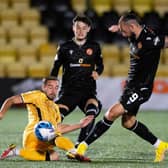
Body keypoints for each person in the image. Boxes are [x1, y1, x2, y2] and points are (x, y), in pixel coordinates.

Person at [75, 12, 168, 162]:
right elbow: (128, 27)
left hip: (142, 88)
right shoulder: (134, 32)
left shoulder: (151, 40)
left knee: (112, 113)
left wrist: (120, 28)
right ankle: (160, 145)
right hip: (131, 86)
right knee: (128, 122)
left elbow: (163, 41)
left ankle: (82, 146)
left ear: (132, 26)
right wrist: (118, 27)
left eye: (124, 30)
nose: (123, 34)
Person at [0, 76, 92, 161]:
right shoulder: (37, 95)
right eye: (50, 87)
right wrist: (1, 113)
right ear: (43, 87)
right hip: (33, 134)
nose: (53, 90)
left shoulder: (55, 107)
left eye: (56, 87)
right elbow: (11, 100)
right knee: (54, 134)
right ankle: (74, 152)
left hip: (45, 140)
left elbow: (59, 128)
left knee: (54, 156)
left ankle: (15, 151)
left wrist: (80, 124)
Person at [50, 14, 104, 147]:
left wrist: (98, 72)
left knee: (92, 112)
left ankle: (79, 145)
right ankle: (49, 141)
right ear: (73, 28)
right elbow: (55, 68)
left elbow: (100, 65)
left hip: (88, 91)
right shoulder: (64, 47)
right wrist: (51, 86)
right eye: (77, 27)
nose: (80, 31)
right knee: (56, 115)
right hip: (69, 91)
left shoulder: (95, 46)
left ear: (89, 29)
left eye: (83, 28)